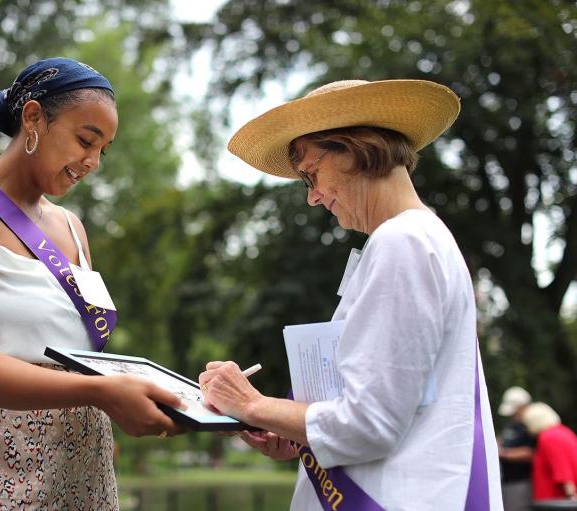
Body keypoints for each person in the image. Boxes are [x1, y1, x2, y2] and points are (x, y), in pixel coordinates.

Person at [199, 79, 503, 510]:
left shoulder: (403, 243)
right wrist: (294, 431)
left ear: (352, 149)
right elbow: (395, 404)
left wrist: (250, 404)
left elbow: (369, 425)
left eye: (310, 173)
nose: (312, 197)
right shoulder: (418, 237)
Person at [0, 57, 184, 510]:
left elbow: (85, 352)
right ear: (33, 117)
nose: (92, 162)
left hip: (82, 465)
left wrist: (175, 400)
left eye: (103, 150)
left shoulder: (72, 227)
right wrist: (102, 392)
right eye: (85, 140)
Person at [521, 402, 577, 501]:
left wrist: (571, 498)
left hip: (555, 501)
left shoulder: (548, 437)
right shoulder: (564, 431)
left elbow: (563, 471)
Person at [497, 386, 535, 511]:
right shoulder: (512, 423)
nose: (513, 415)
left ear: (523, 406)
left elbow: (531, 452)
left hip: (520, 482)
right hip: (507, 481)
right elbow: (506, 439)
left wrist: (503, 454)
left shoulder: (530, 425)